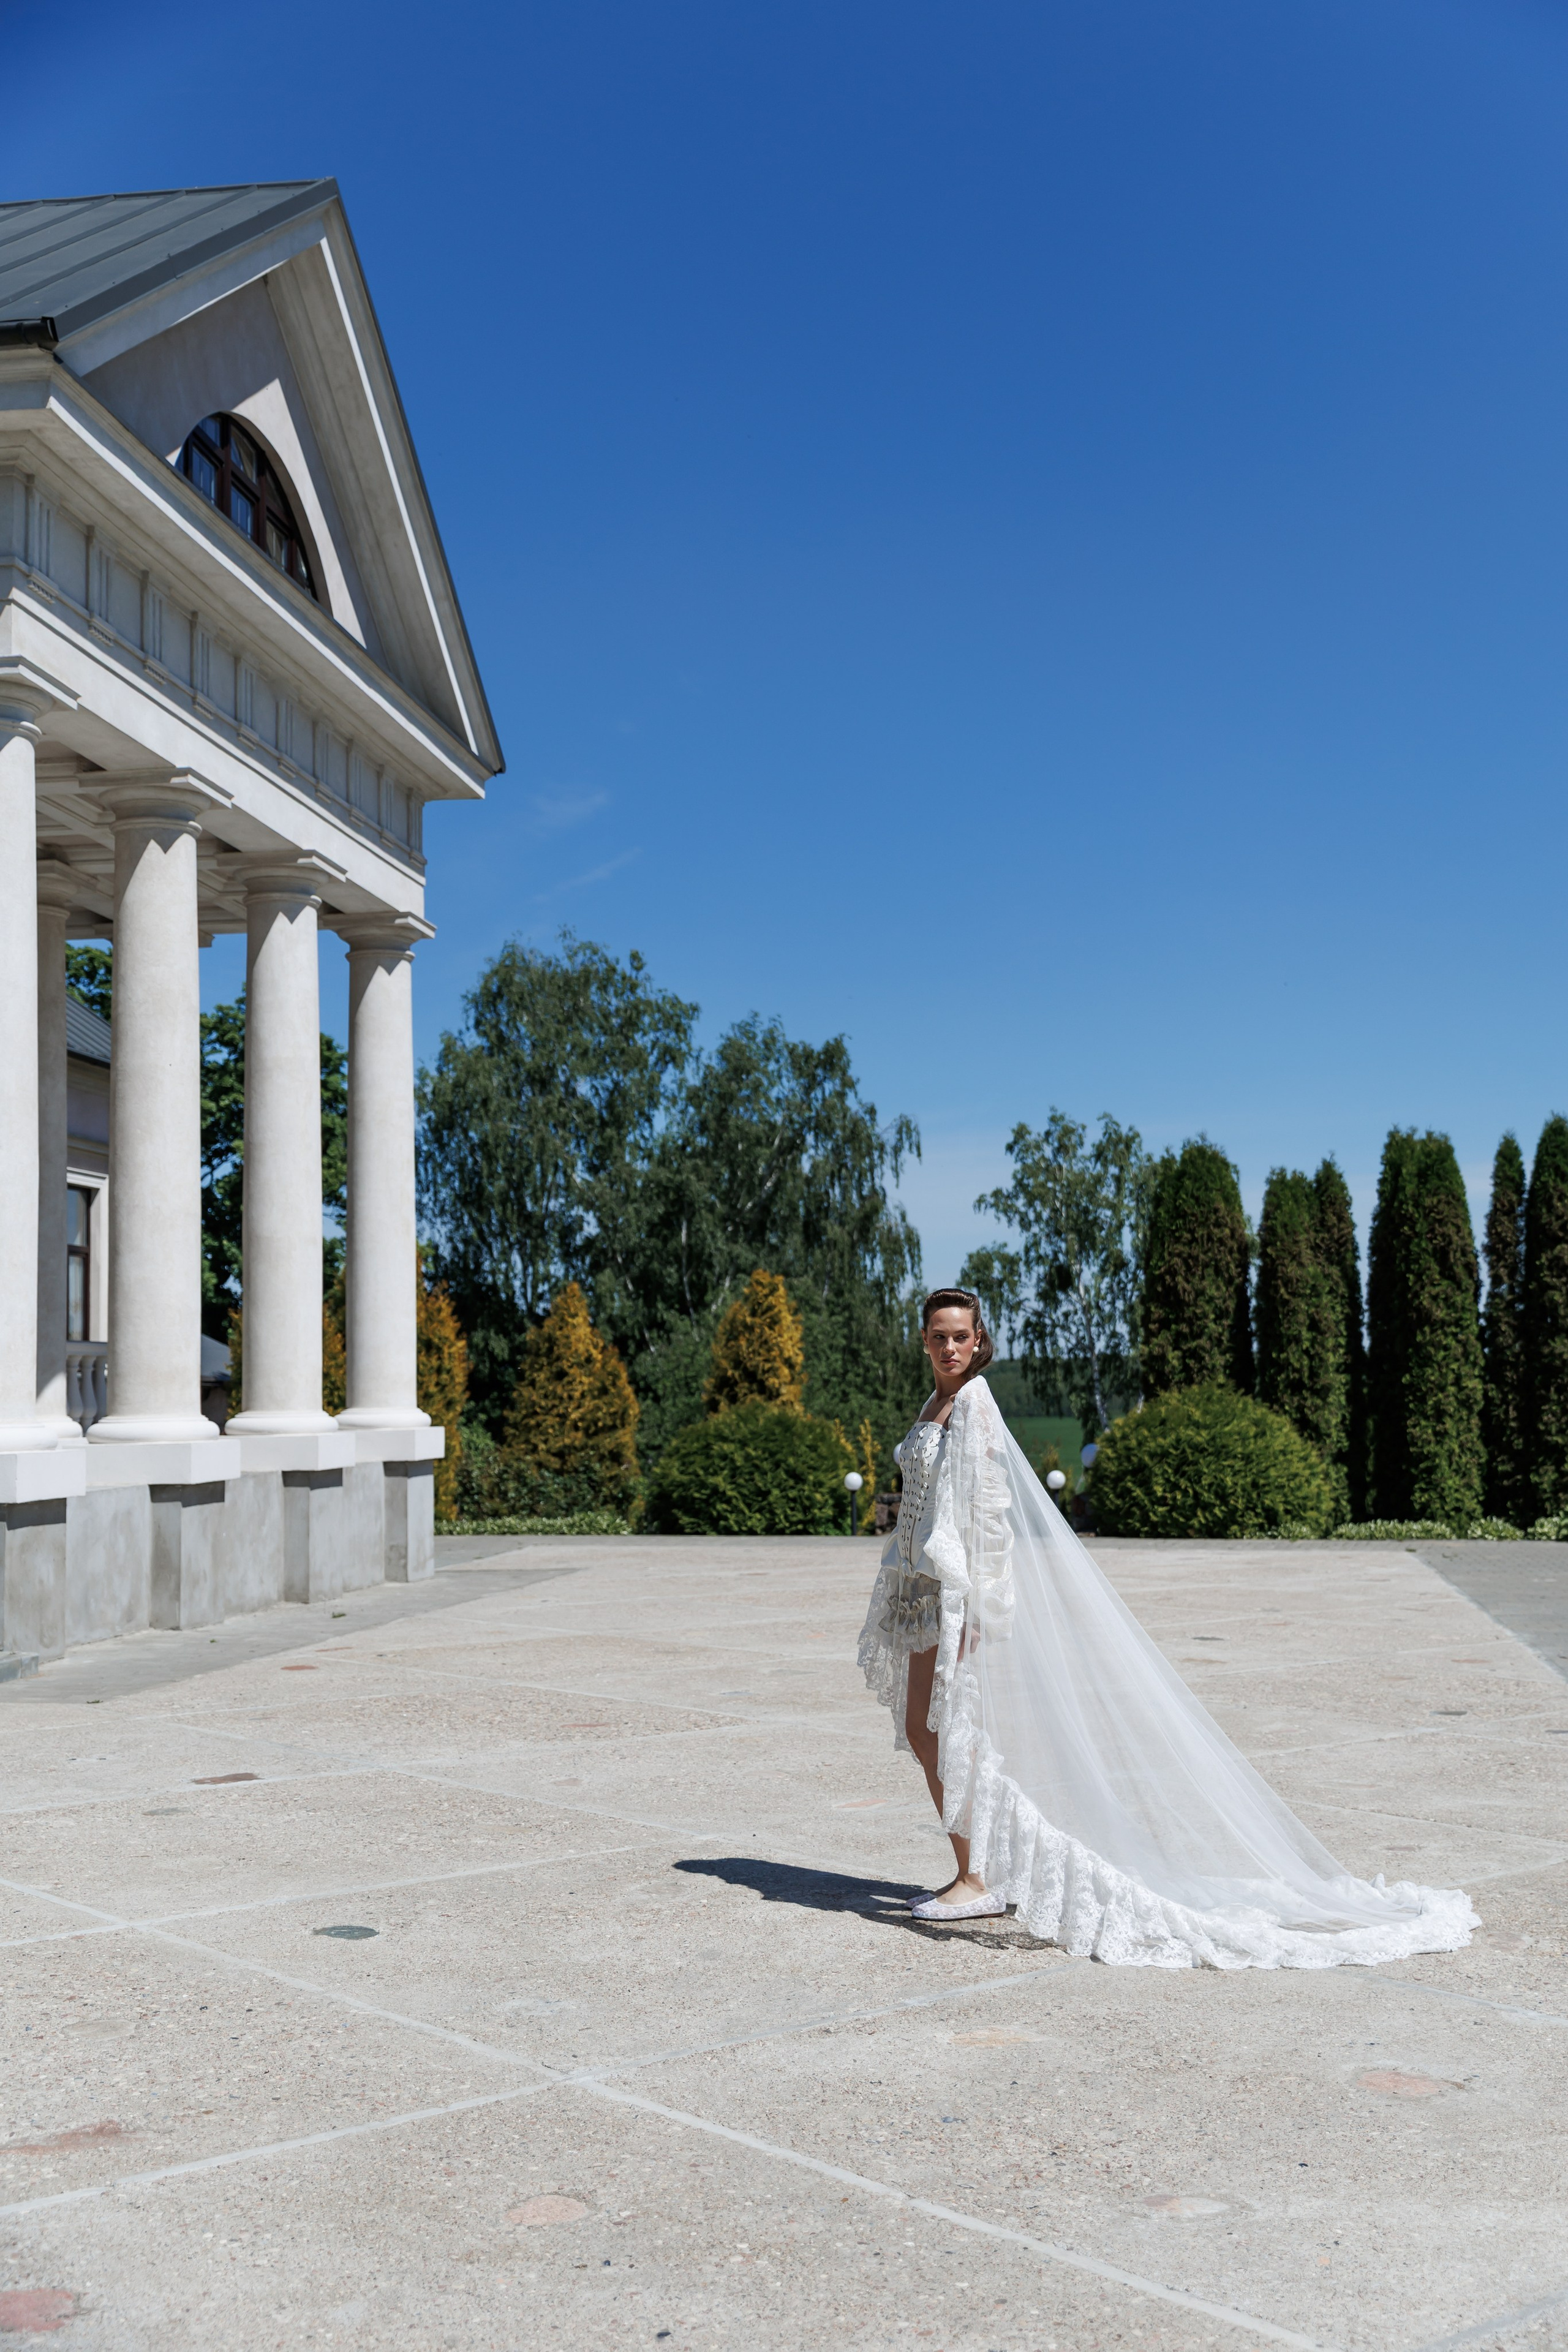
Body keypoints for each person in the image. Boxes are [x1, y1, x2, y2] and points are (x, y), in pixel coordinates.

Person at [858, 1287, 1478, 1968]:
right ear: (924, 1341)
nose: (950, 1347)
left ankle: (978, 1875)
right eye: (938, 1336)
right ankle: (978, 1869)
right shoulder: (932, 1404)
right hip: (918, 1590)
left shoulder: (975, 1402)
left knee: (952, 1730)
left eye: (960, 1337)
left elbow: (986, 1510)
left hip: (954, 1591)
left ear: (979, 1342)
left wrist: (977, 1604)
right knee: (924, 1729)